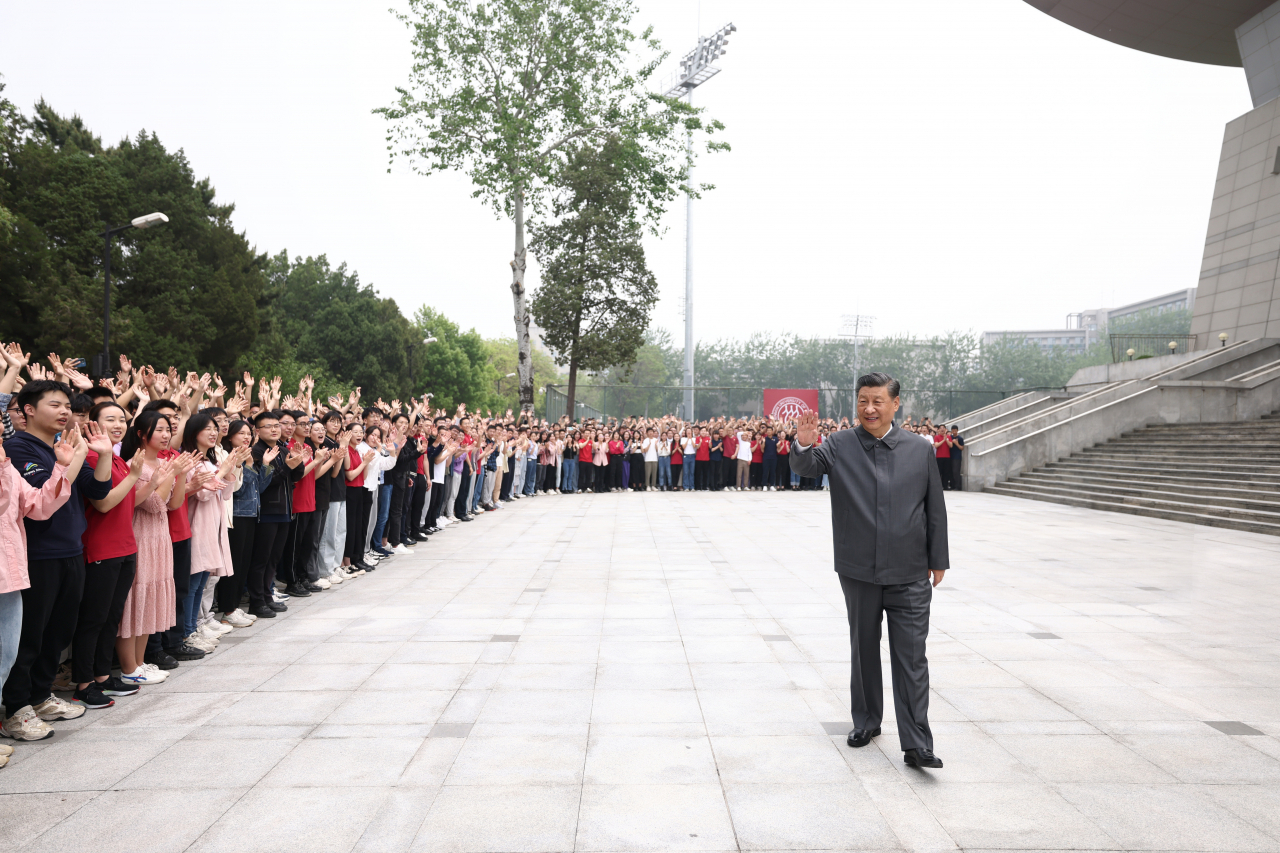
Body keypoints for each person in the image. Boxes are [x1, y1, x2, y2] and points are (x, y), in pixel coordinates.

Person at [789, 372, 949, 770]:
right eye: (863, 400)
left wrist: (938, 558)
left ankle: (917, 744)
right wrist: (804, 443)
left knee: (912, 657)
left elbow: (935, 508)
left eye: (878, 401)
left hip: (910, 571)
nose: (870, 408)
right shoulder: (840, 445)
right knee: (863, 650)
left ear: (896, 404)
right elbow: (807, 467)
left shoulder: (918, 449)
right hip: (858, 568)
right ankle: (866, 722)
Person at [2, 380, 112, 740]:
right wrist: (72, 459)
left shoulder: (59, 447)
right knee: (28, 636)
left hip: (70, 549)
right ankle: (17, 706)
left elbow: (95, 489)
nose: (65, 411)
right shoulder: (18, 448)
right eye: (55, 405)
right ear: (28, 409)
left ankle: (39, 694)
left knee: (57, 631)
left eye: (67, 405)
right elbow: (36, 508)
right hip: (38, 554)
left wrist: (96, 455)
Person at [0, 416, 83, 745]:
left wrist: (62, 467)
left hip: (11, 573)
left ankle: (24, 707)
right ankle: (17, 710)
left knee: (7, 653)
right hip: (18, 567)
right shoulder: (9, 459)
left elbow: (38, 506)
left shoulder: (7, 466)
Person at [949, 425, 965, 491]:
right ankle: (952, 485)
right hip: (950, 456)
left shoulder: (960, 438)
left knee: (956, 472)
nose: (954, 431)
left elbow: (962, 448)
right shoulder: (950, 437)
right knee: (951, 472)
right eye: (953, 430)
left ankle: (958, 486)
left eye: (955, 430)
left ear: (957, 430)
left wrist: (956, 443)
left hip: (957, 457)